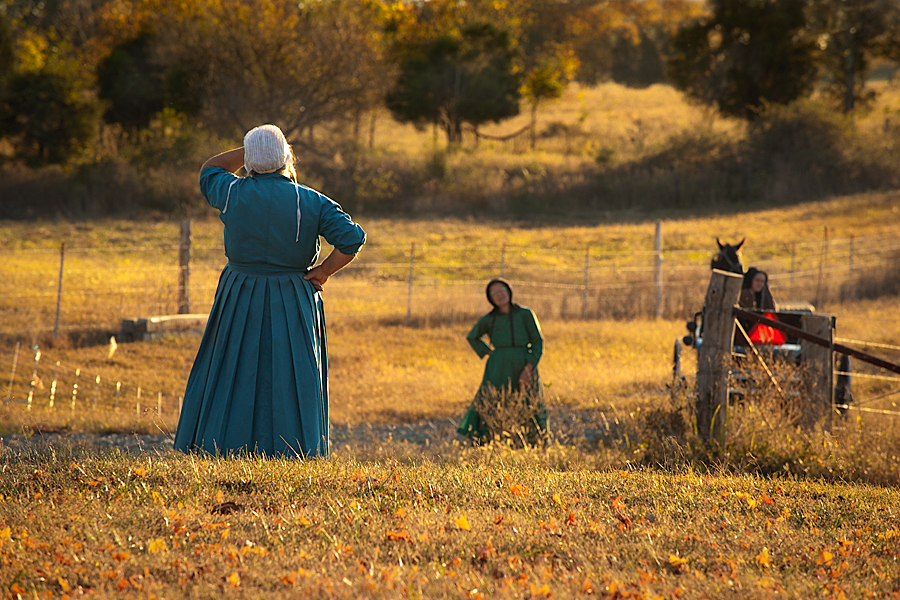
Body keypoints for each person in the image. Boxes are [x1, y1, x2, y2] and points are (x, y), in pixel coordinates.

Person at [174, 124, 366, 458]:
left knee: (234, 365)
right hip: (292, 294)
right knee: (292, 373)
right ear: (287, 156)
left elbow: (210, 169)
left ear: (250, 158)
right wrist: (323, 271)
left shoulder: (232, 191)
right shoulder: (312, 200)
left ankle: (221, 446)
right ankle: (295, 449)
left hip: (239, 291)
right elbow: (352, 238)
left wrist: (249, 151)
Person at [458, 279, 547, 444]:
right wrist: (488, 352)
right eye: (494, 293)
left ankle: (532, 442)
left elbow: (538, 342)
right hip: (498, 366)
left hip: (524, 362)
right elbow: (472, 337)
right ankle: (487, 440)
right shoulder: (489, 319)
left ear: (509, 291)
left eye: (502, 290)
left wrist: (528, 370)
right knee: (493, 399)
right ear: (490, 298)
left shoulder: (525, 314)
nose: (499, 295)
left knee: (528, 399)